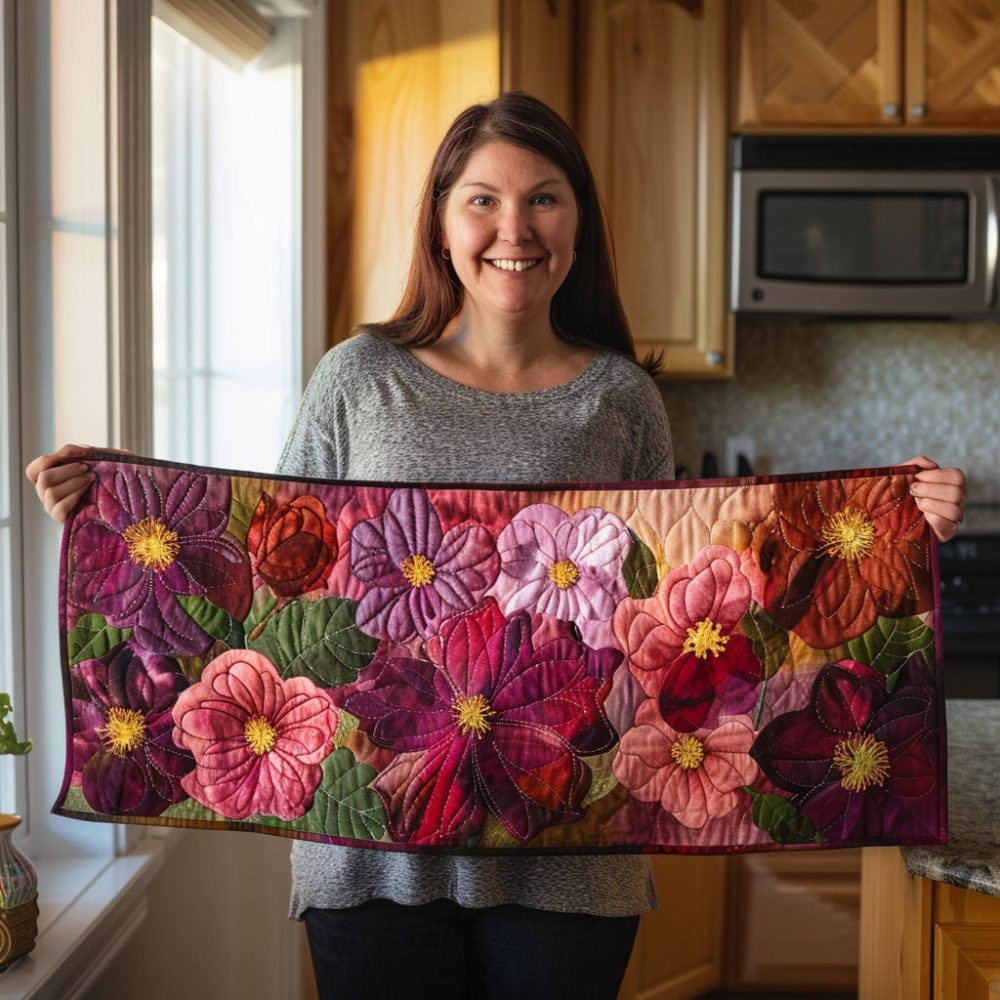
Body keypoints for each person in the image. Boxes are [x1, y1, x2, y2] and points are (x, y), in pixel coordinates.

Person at [27, 92, 967, 1000]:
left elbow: (680, 597)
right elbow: (278, 566)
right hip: (371, 848)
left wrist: (893, 524)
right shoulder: (358, 379)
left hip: (573, 841)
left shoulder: (620, 398)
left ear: (577, 225)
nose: (514, 229)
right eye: (483, 199)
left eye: (543, 199)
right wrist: (109, 512)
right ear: (441, 222)